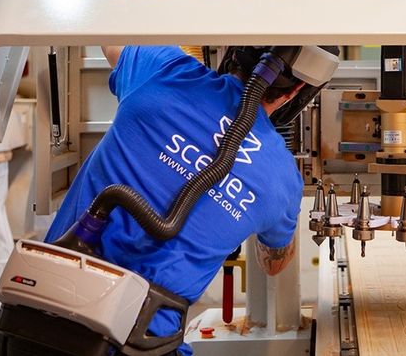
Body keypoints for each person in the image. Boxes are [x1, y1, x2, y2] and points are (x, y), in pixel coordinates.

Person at [44, 45, 307, 355]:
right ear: (299, 90)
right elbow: (273, 263)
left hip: (37, 317)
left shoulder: (166, 69)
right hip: (140, 344)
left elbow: (112, 36)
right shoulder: (283, 179)